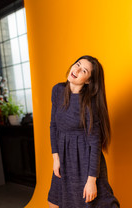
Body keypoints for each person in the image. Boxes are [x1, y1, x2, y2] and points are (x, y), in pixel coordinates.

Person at [47, 55, 120, 208]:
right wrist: (56, 158)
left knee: (95, 203)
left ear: (88, 81)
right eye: (78, 64)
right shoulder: (58, 91)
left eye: (84, 70)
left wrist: (92, 180)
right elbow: (53, 125)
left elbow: (95, 144)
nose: (77, 69)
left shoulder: (89, 104)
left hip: (85, 162)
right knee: (54, 202)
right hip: (64, 159)